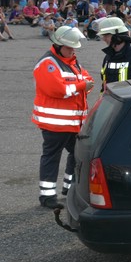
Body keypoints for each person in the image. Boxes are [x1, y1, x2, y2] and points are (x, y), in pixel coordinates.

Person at [32, 26, 95, 209]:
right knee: (52, 158)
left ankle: (70, 189)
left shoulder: (72, 61)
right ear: (58, 45)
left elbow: (87, 80)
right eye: (69, 47)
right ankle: (47, 197)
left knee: (77, 155)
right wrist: (80, 86)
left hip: (73, 123)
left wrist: (79, 85)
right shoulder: (47, 64)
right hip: (55, 124)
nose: (73, 50)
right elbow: (58, 90)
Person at [97, 16, 131, 92]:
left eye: (106, 35)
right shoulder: (108, 57)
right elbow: (104, 82)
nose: (104, 39)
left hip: (129, 102)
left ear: (117, 37)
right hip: (113, 101)